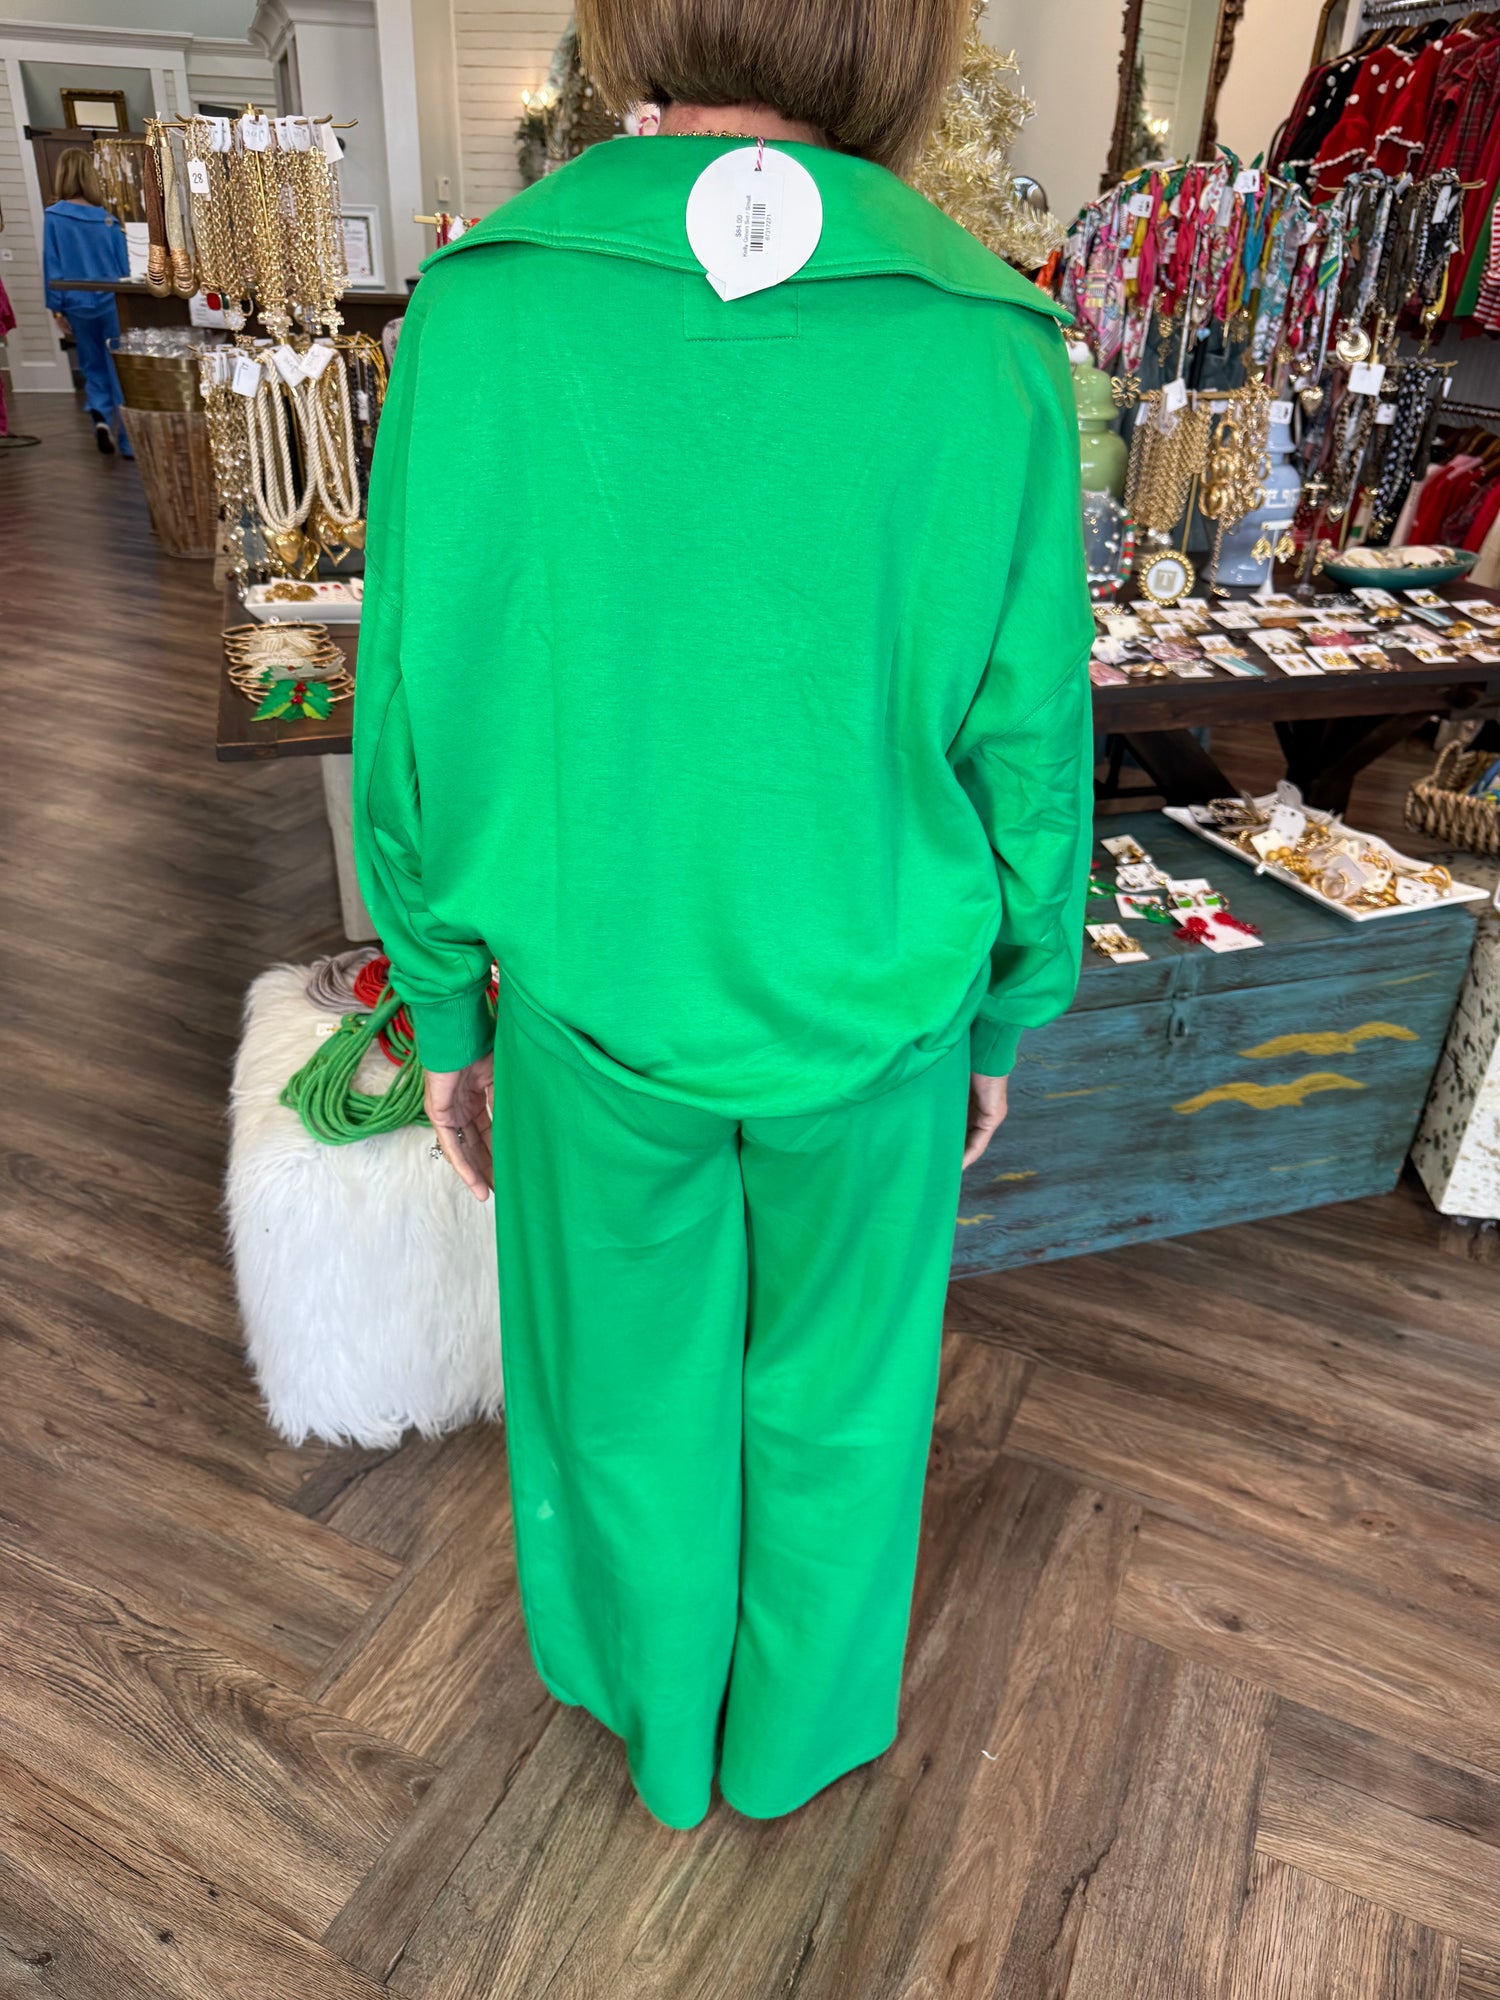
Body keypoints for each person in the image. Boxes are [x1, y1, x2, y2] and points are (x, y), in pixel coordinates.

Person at [352, 0, 1093, 1832]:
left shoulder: (483, 308)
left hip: (597, 998)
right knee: (840, 1403)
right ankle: (785, 1742)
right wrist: (1009, 1004)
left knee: (624, 1392)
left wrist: (444, 1004)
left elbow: (415, 696)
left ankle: (665, 1727)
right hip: (879, 1003)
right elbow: (1029, 732)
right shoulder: (987, 336)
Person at [43, 148, 132, 456]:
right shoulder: (108, 220)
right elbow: (124, 269)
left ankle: (100, 416)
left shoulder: (54, 217)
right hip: (112, 303)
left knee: (92, 365)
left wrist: (56, 309)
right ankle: (128, 442)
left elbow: (52, 264)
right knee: (118, 367)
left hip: (75, 302)